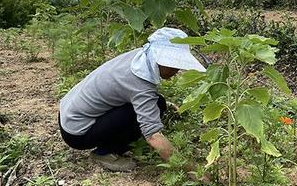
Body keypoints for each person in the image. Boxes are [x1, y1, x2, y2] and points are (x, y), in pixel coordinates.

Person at [58, 27, 206, 172]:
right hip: (76, 133)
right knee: (155, 107)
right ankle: (103, 153)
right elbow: (153, 136)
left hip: (68, 113)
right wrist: (194, 171)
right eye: (173, 64)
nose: (177, 70)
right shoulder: (140, 84)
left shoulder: (140, 56)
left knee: (158, 102)